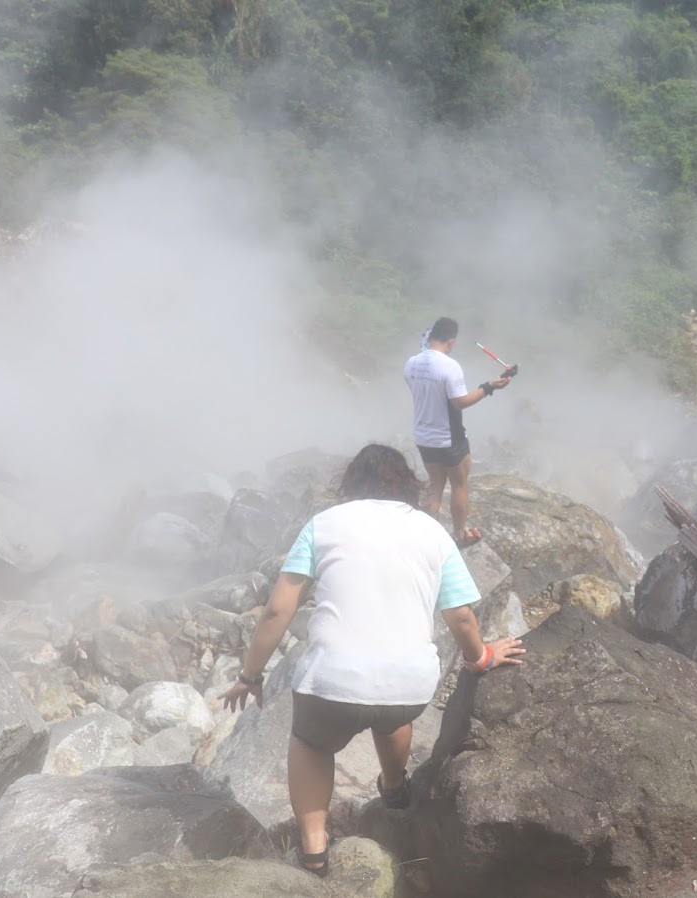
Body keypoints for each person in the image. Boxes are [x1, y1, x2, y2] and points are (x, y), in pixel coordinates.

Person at [219, 444, 525, 877]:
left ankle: (313, 853)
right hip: (410, 689)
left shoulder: (324, 524)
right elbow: (459, 614)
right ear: (408, 486)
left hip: (332, 684)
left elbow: (276, 611)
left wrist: (250, 675)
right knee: (391, 712)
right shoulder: (432, 531)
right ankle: (395, 788)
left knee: (310, 741)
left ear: (349, 484)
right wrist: (483, 657)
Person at [404, 317, 512, 547]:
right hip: (449, 437)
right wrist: (488, 387)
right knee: (459, 485)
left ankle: (424, 540)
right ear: (451, 341)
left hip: (424, 437)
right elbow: (459, 402)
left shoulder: (411, 363)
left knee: (435, 487)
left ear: (431, 335)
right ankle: (459, 534)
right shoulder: (449, 366)